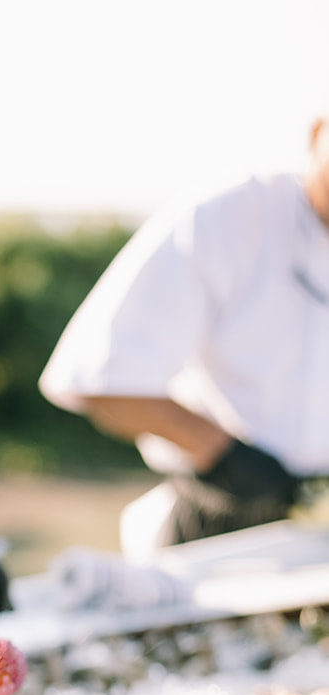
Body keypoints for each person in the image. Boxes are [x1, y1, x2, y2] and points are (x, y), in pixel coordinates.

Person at [39, 115, 329, 553]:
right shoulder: (230, 214)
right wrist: (229, 458)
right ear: (316, 133)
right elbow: (104, 380)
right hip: (226, 520)